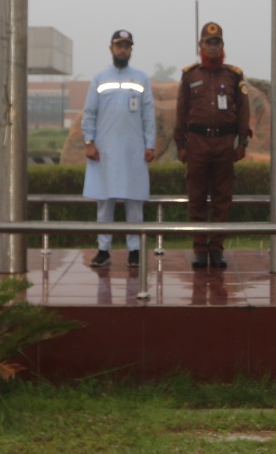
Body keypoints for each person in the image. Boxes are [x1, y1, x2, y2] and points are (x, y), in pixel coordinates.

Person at [174, 22, 250, 269]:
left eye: (217, 43)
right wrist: (180, 144)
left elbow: (243, 112)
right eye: (208, 42)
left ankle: (216, 249)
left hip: (224, 143)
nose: (213, 47)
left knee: (222, 199)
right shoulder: (190, 75)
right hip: (197, 142)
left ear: (223, 46)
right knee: (196, 197)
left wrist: (242, 142)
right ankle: (199, 249)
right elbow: (181, 111)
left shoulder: (234, 75)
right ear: (200, 46)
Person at [82, 29, 157, 269]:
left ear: (131, 49)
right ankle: (103, 249)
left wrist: (150, 144)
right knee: (105, 203)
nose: (122, 50)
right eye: (118, 45)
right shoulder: (99, 78)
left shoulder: (142, 79)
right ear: (111, 49)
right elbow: (89, 113)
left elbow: (148, 115)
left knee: (134, 203)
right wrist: (89, 141)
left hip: (134, 152)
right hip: (104, 152)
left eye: (126, 46)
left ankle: (134, 250)